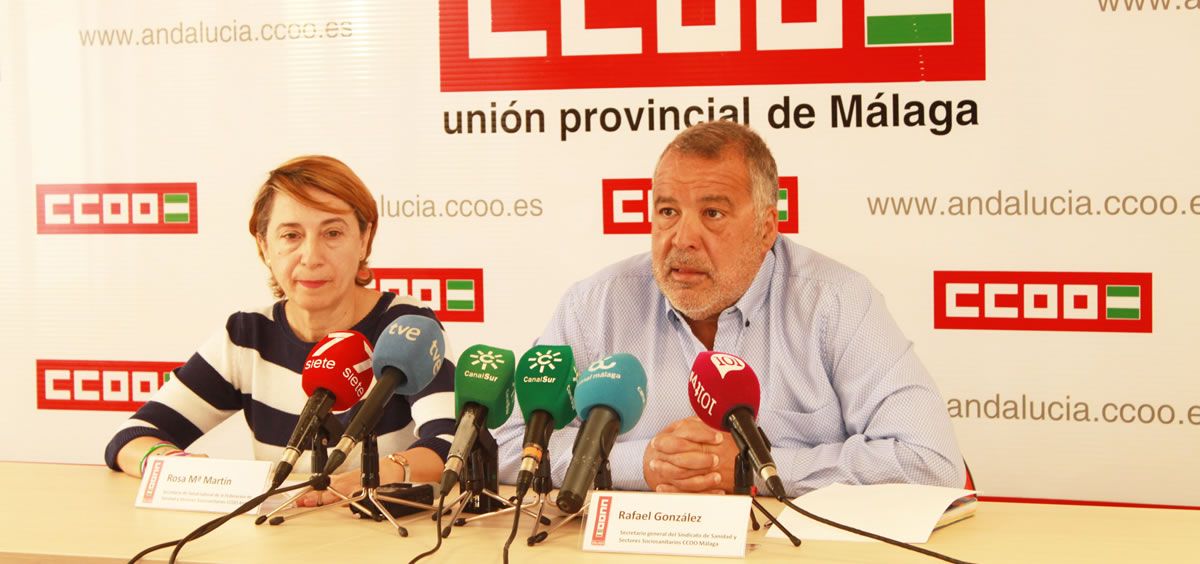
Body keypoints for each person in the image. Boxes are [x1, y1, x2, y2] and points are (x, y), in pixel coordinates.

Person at [495, 121, 965, 497]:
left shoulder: (836, 301)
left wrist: (751, 467)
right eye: (668, 211)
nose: (682, 238)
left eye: (713, 213)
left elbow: (928, 460)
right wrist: (641, 463)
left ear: (766, 228)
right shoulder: (596, 305)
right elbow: (503, 441)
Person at [103, 155, 455, 507]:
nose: (311, 256)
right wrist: (178, 467)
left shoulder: (405, 327)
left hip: (379, 530)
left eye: (332, 233)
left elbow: (450, 442)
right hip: (283, 528)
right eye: (291, 235)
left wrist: (370, 476)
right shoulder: (248, 336)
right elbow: (132, 437)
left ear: (364, 240)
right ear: (264, 246)